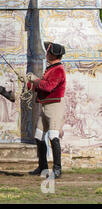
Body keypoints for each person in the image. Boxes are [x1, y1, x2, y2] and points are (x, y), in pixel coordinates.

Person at [27, 42, 66, 178]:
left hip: (54, 107)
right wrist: (30, 83)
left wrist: (35, 80)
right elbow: (42, 86)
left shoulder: (58, 70)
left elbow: (48, 87)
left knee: (53, 136)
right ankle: (42, 166)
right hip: (45, 106)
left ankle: (57, 169)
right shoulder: (51, 68)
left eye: (48, 52)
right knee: (39, 136)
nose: (46, 54)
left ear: (53, 54)